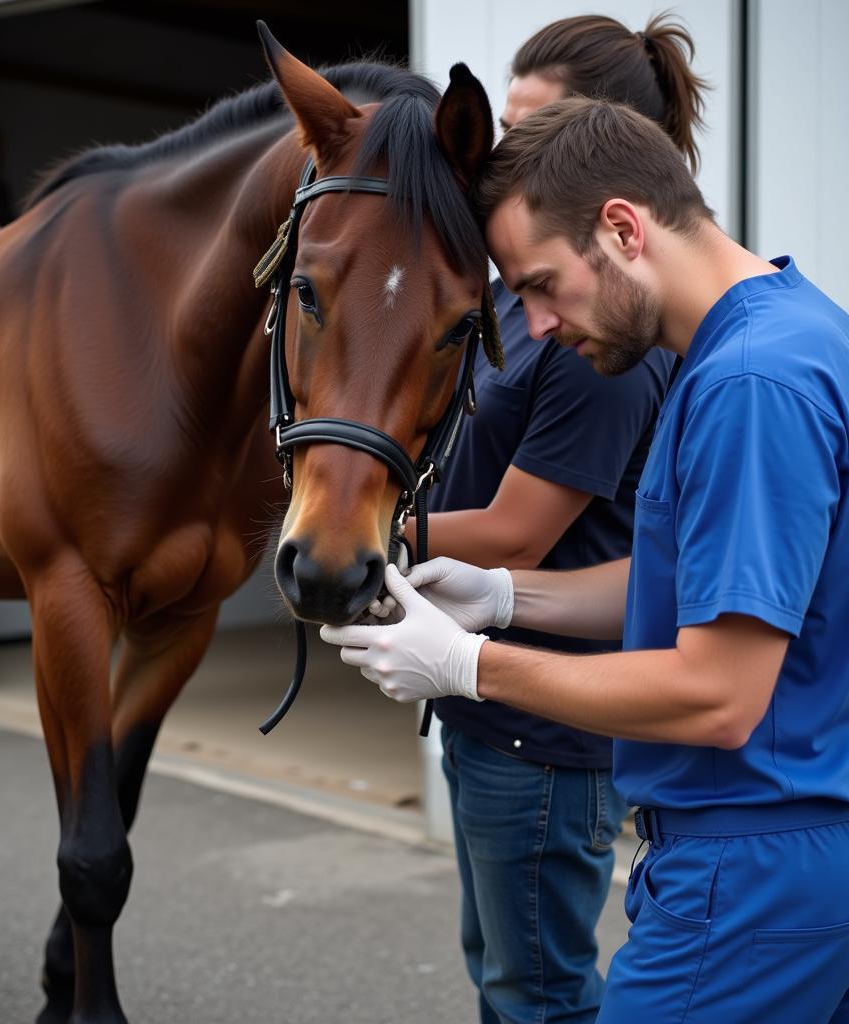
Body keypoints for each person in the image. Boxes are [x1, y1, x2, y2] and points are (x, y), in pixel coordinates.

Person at [323, 94, 849, 1021]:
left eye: (537, 284)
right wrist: (503, 597)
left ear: (621, 228)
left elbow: (719, 695)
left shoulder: (748, 383)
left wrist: (470, 666)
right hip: (775, 848)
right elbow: (696, 590)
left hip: (752, 863)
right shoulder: (780, 331)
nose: (536, 324)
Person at [393, 15, 701, 1024]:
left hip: (543, 731)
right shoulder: (537, 310)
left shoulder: (599, 344)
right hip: (500, 709)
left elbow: (519, 530)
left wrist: (378, 540)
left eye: (533, 128)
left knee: (539, 994)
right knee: (504, 971)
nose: (501, 157)